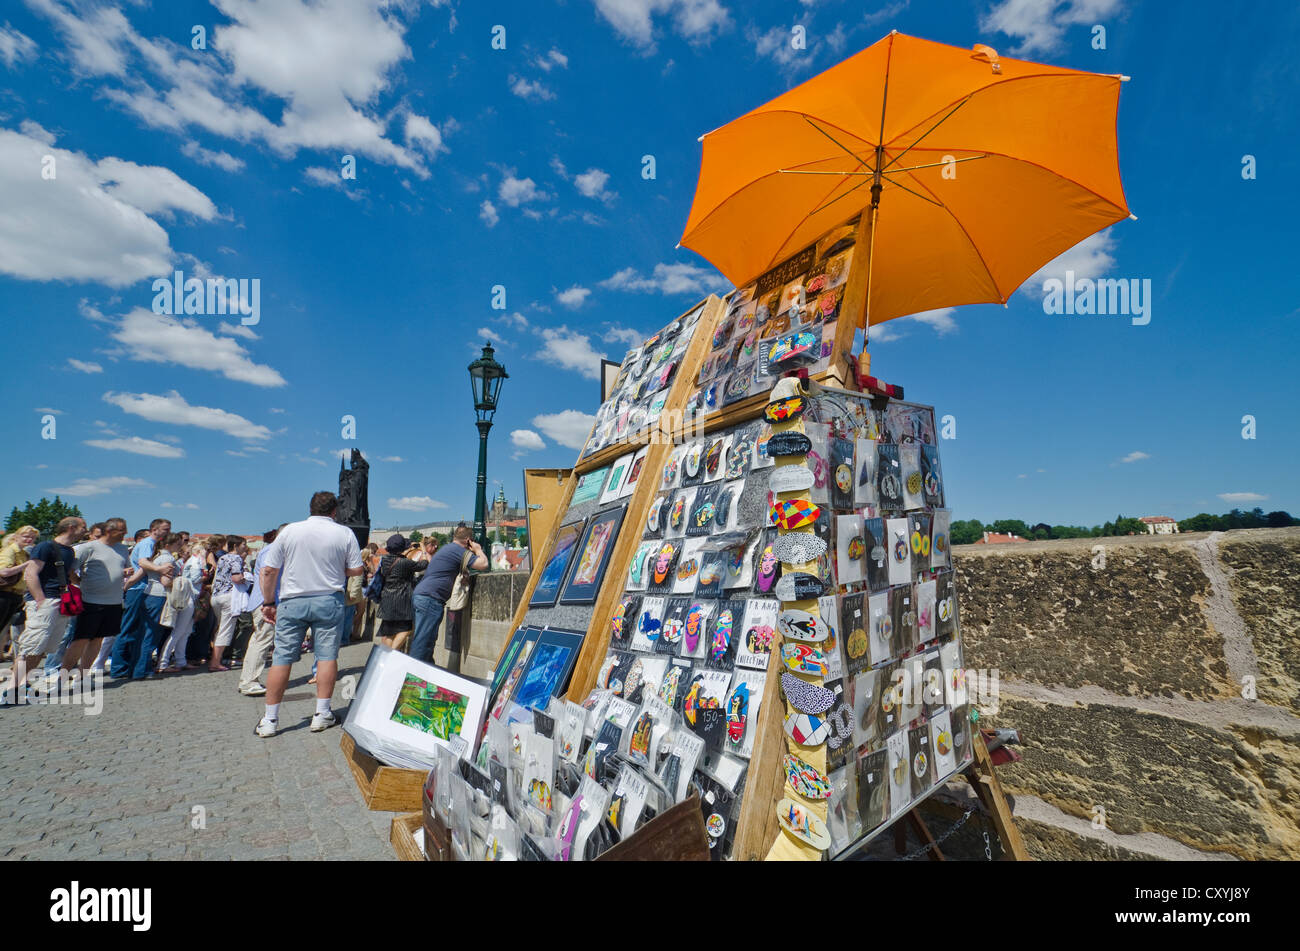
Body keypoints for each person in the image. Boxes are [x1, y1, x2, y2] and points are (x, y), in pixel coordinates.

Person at [255, 491, 363, 738]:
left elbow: (269, 570)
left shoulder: (290, 531)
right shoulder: (344, 533)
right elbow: (356, 568)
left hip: (293, 600)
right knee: (326, 657)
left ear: (311, 508)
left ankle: (270, 719)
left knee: (282, 658)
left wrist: (269, 601)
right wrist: (337, 570)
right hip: (328, 599)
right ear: (334, 511)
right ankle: (322, 713)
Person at [7, 516, 85, 698]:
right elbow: (31, 573)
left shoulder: (69, 551)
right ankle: (11, 688)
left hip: (60, 601)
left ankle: (22, 683)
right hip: (45, 601)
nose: (85, 530)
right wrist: (40, 600)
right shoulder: (46, 547)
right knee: (31, 646)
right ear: (71, 527)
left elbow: (69, 575)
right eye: (83, 527)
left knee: (41, 648)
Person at [60, 518, 130, 675]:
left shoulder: (123, 549)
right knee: (81, 639)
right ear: (109, 531)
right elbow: (70, 568)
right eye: (122, 530)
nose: (125, 533)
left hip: (114, 601)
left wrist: (126, 572)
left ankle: (83, 675)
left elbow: (124, 567)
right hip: (91, 601)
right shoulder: (88, 548)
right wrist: (77, 582)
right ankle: (63, 676)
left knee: (98, 639)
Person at [410, 525, 487, 667]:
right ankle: (411, 679)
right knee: (423, 643)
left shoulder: (447, 548)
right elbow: (483, 564)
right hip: (430, 598)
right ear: (469, 541)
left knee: (425, 641)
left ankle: (425, 675)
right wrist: (478, 550)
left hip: (422, 595)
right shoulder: (458, 550)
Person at [110, 518, 173, 680]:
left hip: (139, 587)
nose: (168, 532)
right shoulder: (148, 543)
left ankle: (128, 666)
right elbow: (143, 564)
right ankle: (119, 667)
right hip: (139, 588)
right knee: (129, 628)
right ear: (154, 529)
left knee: (135, 629)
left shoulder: (149, 544)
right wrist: (159, 569)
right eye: (165, 529)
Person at [44, 522, 107, 677]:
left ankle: (70, 665)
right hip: (75, 594)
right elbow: (69, 571)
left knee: (80, 634)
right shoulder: (79, 549)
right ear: (90, 535)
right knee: (66, 632)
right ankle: (52, 667)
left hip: (92, 596)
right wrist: (80, 581)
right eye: (97, 536)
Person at [238, 525, 286, 697]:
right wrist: (269, 602)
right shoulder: (273, 550)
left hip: (265, 601)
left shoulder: (271, 549)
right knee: (263, 640)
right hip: (266, 603)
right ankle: (250, 681)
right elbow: (266, 573)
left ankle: (247, 679)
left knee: (259, 640)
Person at [374, 534, 428, 652]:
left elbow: (397, 558)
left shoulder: (385, 560)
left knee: (388, 632)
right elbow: (423, 564)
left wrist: (407, 549)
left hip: (387, 597)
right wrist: (423, 550)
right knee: (406, 629)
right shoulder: (405, 562)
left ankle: (385, 656)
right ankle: (391, 654)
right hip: (401, 599)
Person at [153, 533, 194, 673]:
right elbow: (166, 581)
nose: (180, 545)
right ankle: (163, 663)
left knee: (184, 631)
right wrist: (182, 581)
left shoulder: (166, 557)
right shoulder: (168, 558)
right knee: (179, 631)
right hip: (178, 596)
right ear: (168, 545)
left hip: (178, 596)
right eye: (177, 543)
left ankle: (179, 660)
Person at [209, 535, 246, 672]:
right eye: (243, 545)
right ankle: (215, 662)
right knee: (225, 630)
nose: (245, 547)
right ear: (235, 546)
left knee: (220, 628)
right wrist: (245, 579)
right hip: (229, 596)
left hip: (216, 596)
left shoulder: (222, 558)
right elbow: (236, 577)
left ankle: (215, 658)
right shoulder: (236, 558)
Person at [0, 526, 38, 659]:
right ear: (16, 537)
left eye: (32, 537)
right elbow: (4, 571)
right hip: (4, 594)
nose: (29, 539)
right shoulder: (10, 551)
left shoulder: (23, 553)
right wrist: (27, 564)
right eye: (25, 536)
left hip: (15, 595)